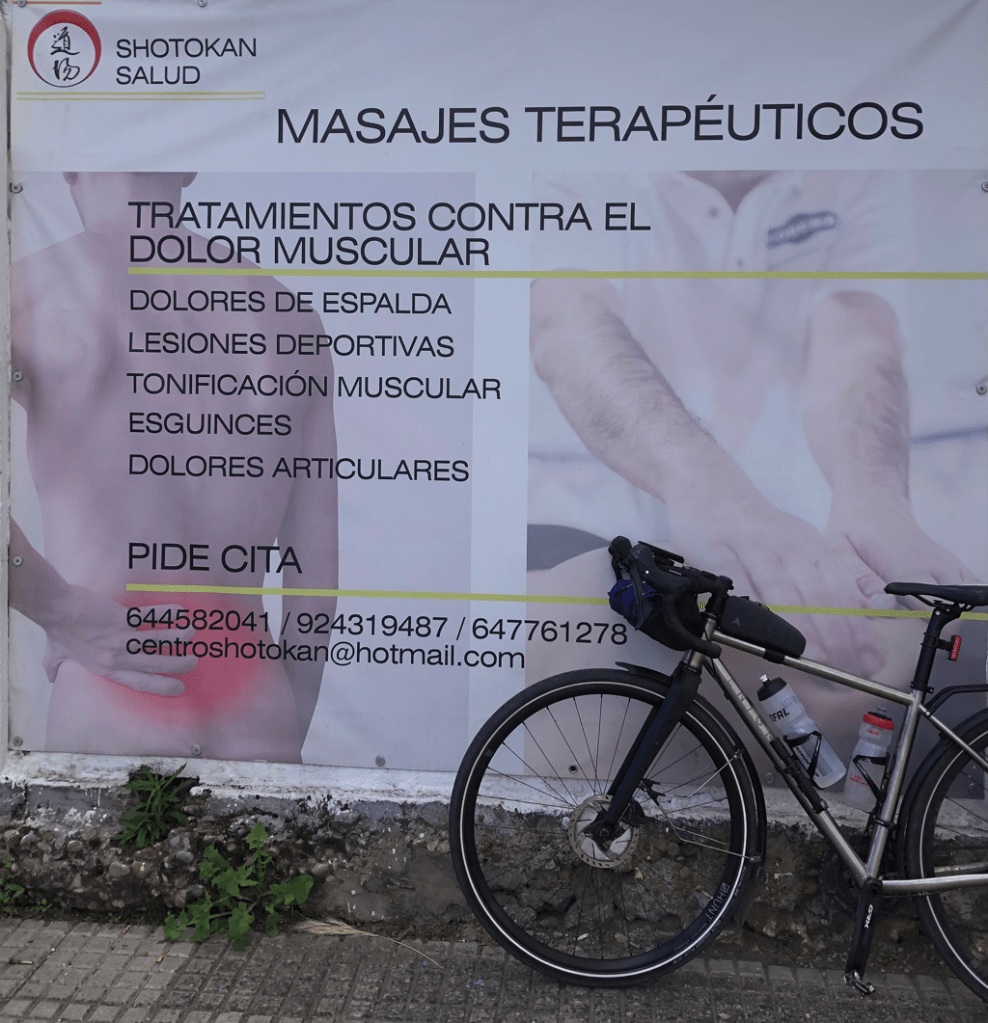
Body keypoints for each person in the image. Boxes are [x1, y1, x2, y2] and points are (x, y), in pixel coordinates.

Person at [526, 170, 980, 740]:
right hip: (598, 520)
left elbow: (857, 337)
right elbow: (568, 325)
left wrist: (875, 499)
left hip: (798, 544)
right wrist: (709, 487)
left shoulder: (852, 171)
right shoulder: (586, 165)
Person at [9, 172, 338, 762]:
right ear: (186, 171)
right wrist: (284, 722)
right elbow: (314, 574)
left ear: (72, 167)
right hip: (257, 714)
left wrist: (59, 610)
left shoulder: (31, 291)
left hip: (112, 709)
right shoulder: (288, 316)